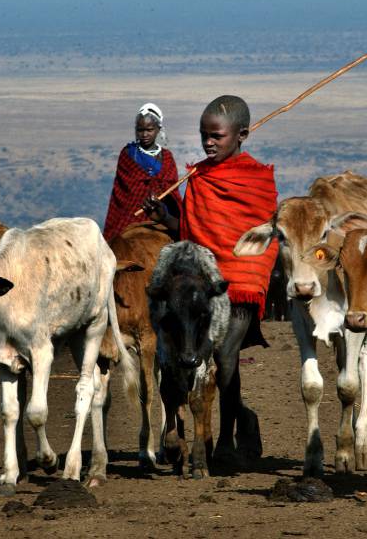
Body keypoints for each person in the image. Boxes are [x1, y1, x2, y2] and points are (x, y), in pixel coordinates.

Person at [143, 95, 278, 466]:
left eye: (216, 136)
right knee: (193, 354)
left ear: (242, 135)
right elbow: (192, 231)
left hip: (240, 284)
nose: (208, 143)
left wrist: (244, 274)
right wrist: (164, 216)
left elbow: (263, 238)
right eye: (204, 135)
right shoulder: (198, 176)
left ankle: (227, 440)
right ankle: (231, 425)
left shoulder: (257, 179)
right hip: (202, 289)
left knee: (224, 355)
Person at [102, 103, 182, 241]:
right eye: (140, 130)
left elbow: (172, 192)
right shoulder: (128, 155)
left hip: (163, 215)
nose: (144, 134)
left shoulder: (167, 157)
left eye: (149, 130)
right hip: (132, 217)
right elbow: (123, 193)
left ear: (158, 129)